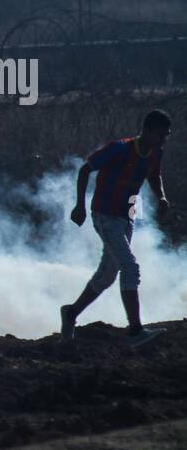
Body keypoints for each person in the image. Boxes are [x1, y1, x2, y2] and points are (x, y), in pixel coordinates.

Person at [61, 109, 171, 347]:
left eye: (166, 136)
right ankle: (135, 330)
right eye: (160, 135)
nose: (163, 141)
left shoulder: (155, 152)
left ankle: (71, 313)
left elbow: (154, 175)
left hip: (126, 216)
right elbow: (85, 169)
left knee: (108, 275)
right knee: (130, 268)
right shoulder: (120, 149)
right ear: (147, 131)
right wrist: (79, 205)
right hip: (104, 215)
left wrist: (161, 197)